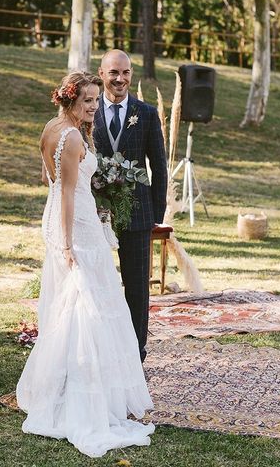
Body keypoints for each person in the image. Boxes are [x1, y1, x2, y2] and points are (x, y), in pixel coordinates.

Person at [16, 72, 155, 458]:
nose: (94, 106)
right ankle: (85, 395)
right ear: (72, 99)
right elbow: (67, 191)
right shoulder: (74, 136)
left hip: (63, 215)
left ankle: (60, 386)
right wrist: (68, 243)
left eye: (97, 100)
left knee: (69, 303)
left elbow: (49, 176)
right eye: (89, 100)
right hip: (74, 224)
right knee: (88, 306)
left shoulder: (52, 127)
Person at [94, 50, 168, 362]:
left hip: (137, 212)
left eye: (125, 72)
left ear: (132, 73)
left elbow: (159, 167)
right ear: (101, 74)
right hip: (94, 211)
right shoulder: (87, 109)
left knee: (137, 286)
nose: (120, 79)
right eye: (113, 73)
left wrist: (156, 214)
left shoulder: (146, 113)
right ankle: (98, 348)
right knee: (95, 282)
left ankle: (136, 353)